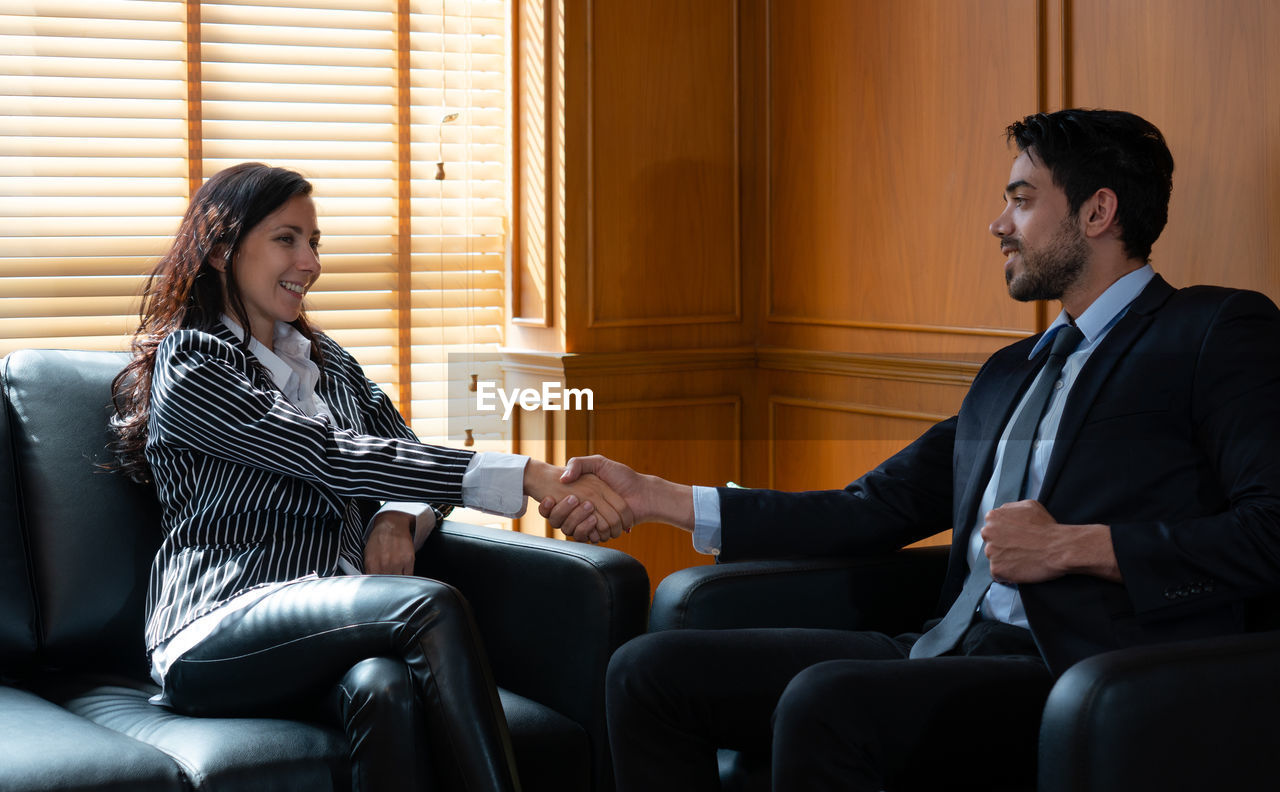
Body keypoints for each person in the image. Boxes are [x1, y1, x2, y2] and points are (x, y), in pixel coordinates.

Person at [539, 109, 1280, 790]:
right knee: (646, 671)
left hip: (1079, 674)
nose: (999, 223)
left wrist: (1077, 548)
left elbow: (1270, 530)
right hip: (945, 649)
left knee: (826, 702)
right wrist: (655, 497)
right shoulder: (1009, 373)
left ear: (1098, 210)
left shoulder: (1213, 333)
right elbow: (871, 507)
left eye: (1021, 199)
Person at [109, 162, 631, 792]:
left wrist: (396, 516)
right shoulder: (194, 362)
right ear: (222, 248)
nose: (311, 262)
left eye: (315, 242)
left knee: (384, 689)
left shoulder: (330, 365)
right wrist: (527, 475)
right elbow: (323, 452)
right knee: (426, 605)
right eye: (287, 239)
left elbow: (409, 461)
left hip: (329, 629)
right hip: (217, 625)